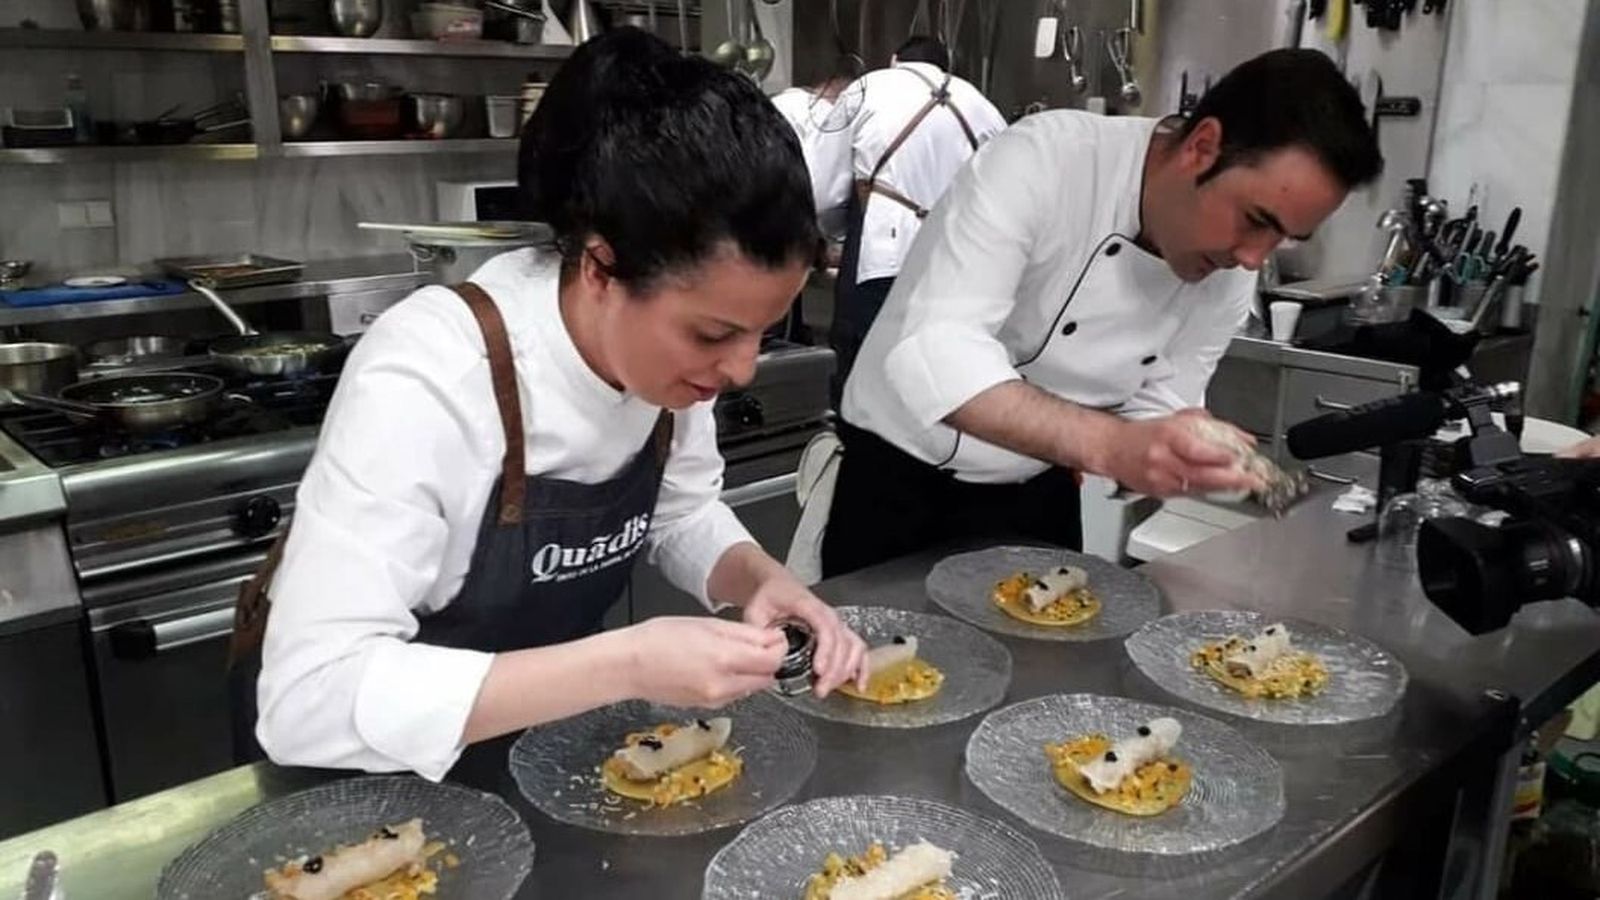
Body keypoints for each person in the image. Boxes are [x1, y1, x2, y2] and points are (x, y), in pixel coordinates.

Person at [234, 28, 868, 780]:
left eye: (763, 332)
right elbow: (309, 701)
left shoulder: (664, 371)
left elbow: (682, 510)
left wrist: (762, 580)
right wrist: (628, 663)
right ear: (601, 268)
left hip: (536, 744)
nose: (738, 369)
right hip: (355, 775)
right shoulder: (432, 374)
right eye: (715, 332)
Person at [821, 48, 1385, 577]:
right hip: (894, 481)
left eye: (1284, 238)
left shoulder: (1229, 266)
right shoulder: (1045, 161)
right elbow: (939, 356)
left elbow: (1163, 398)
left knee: (1050, 674)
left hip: (1036, 492)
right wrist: (1113, 446)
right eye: (1256, 218)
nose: (1252, 257)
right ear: (1203, 147)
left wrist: (1181, 447)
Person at [806, 35, 1007, 403]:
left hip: (882, 254)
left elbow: (824, 189)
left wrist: (835, 234)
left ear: (894, 59)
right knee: (937, 377)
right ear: (947, 69)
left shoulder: (869, 86)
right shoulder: (983, 106)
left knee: (866, 372)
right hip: (958, 264)